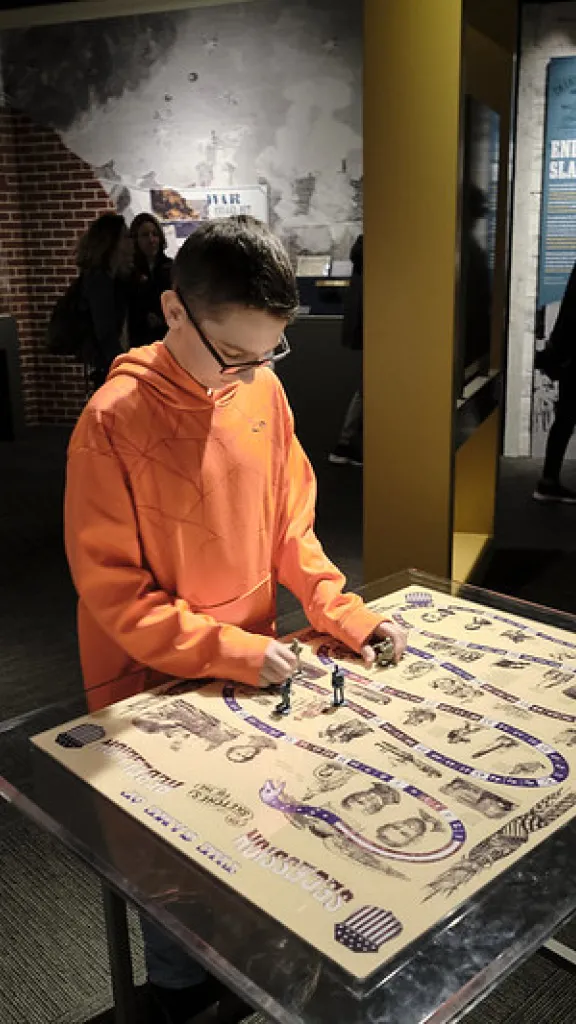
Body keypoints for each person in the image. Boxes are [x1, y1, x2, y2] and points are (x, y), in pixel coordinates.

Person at [64, 216, 407, 1024]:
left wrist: (340, 611)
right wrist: (232, 650)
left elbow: (291, 529)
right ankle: (179, 994)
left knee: (253, 836)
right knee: (167, 868)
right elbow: (116, 596)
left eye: (269, 353)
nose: (252, 372)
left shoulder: (263, 391)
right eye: (234, 354)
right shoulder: (111, 420)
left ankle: (232, 977)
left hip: (247, 669)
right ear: (173, 312)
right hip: (146, 687)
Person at [534, 260, 576, 503]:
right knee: (566, 418)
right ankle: (548, 481)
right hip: (573, 357)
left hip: (570, 357)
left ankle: (548, 480)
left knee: (565, 418)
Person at [77, 212, 134, 388]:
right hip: (108, 369)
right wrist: (122, 368)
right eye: (125, 237)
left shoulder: (115, 279)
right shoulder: (99, 281)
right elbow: (106, 332)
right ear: (112, 243)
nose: (131, 242)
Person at [329, 233, 363, 467]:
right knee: (367, 390)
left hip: (370, 333)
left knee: (366, 390)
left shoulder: (362, 257)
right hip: (379, 334)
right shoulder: (376, 258)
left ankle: (346, 443)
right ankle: (346, 443)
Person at [128, 212, 173, 346]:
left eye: (155, 234)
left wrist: (162, 318)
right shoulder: (129, 270)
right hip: (138, 339)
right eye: (145, 235)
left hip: (168, 337)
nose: (151, 239)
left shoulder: (171, 267)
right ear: (135, 239)